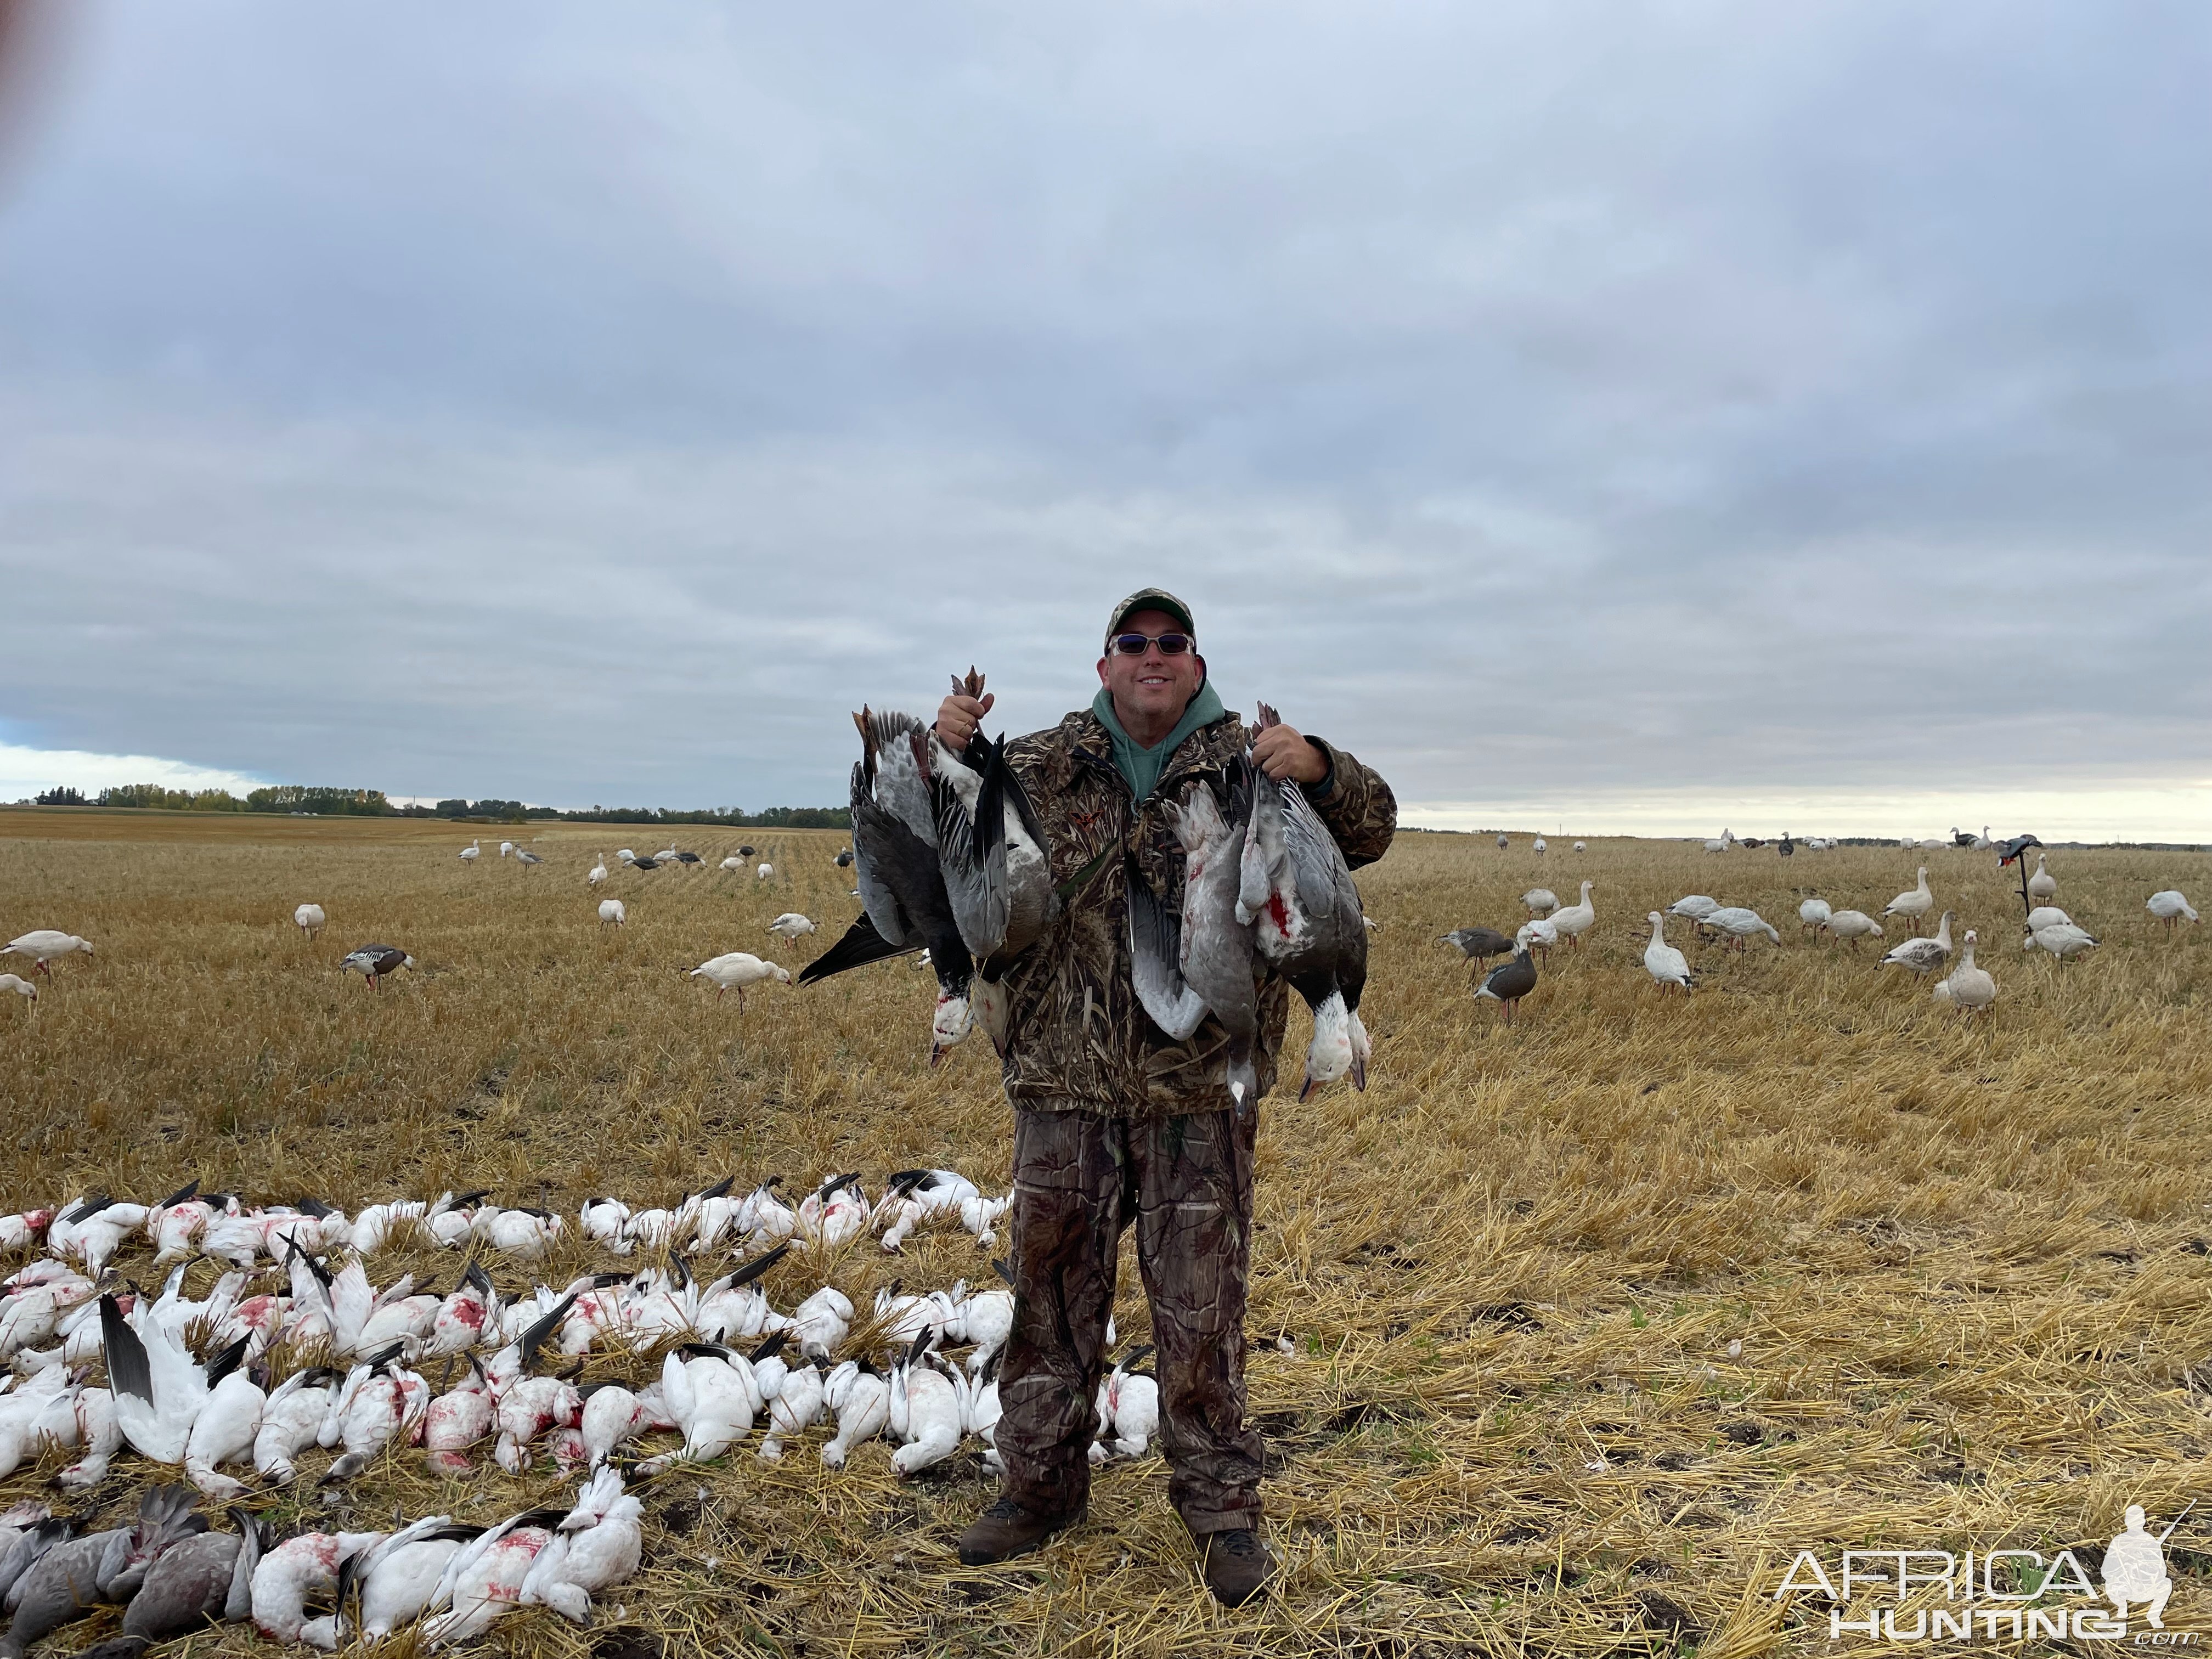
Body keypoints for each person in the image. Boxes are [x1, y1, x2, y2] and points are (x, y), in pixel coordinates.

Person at [933, 588, 1396, 1606]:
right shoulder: (1046, 762)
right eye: (1132, 643)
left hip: (1200, 1086)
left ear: (1195, 661)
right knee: (1050, 1301)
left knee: (1202, 1312)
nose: (1153, 656)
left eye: (1171, 643)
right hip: (1064, 1080)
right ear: (1105, 665)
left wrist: (1319, 762)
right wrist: (949, 756)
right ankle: (1039, 1488)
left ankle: (1222, 1510)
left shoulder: (1251, 759)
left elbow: (1370, 832)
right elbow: (948, 846)